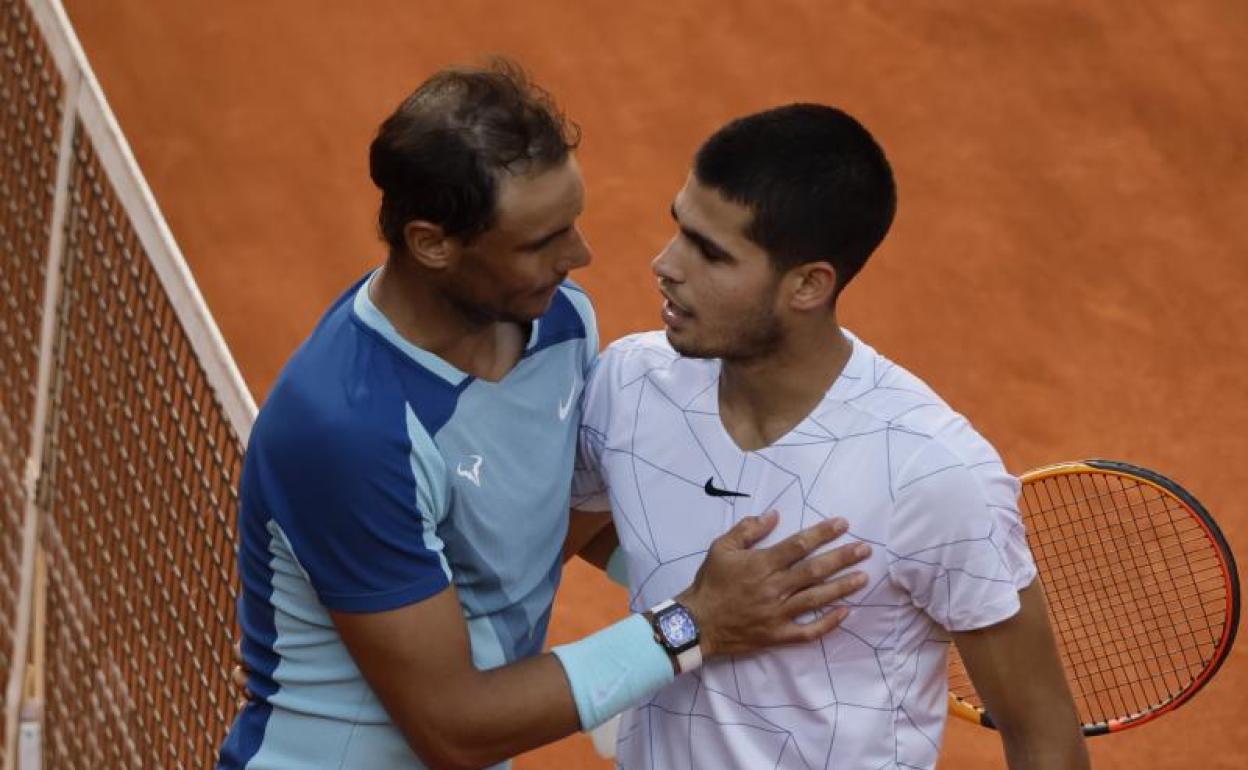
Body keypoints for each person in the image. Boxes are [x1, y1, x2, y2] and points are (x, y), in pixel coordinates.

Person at [215, 62, 871, 770]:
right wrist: (694, 622)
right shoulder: (347, 431)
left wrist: (779, 585)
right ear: (432, 243)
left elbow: (547, 525)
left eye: (572, 224)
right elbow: (452, 729)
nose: (581, 255)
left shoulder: (557, 323)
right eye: (540, 242)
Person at [571, 104, 1090, 769]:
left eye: (711, 253)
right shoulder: (628, 385)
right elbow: (563, 538)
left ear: (809, 285)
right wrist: (704, 607)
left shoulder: (931, 472)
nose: (666, 264)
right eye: (680, 228)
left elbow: (1043, 734)